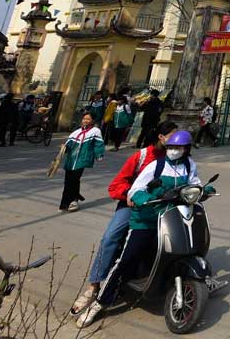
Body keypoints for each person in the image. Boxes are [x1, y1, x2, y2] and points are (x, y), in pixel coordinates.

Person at [77, 130, 211, 328]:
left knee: (182, 245)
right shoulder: (156, 166)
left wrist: (204, 190)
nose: (174, 150)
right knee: (127, 259)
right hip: (146, 219)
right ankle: (100, 302)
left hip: (172, 216)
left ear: (186, 149)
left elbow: (194, 184)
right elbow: (135, 189)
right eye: (171, 147)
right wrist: (143, 197)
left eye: (178, 147)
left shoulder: (189, 164)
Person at [69, 120, 179, 316]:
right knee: (111, 237)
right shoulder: (142, 156)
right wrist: (132, 195)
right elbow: (116, 185)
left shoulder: (179, 159)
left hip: (164, 206)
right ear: (161, 137)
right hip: (135, 205)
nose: (177, 141)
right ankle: (94, 286)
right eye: (173, 136)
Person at [59, 113, 106, 212]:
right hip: (71, 159)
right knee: (68, 181)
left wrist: (99, 154)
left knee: (74, 179)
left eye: (88, 119)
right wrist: (64, 148)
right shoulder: (76, 132)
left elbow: (99, 144)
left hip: (82, 159)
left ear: (93, 121)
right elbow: (69, 144)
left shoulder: (95, 131)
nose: (85, 121)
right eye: (84, 118)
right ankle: (65, 204)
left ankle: (74, 201)